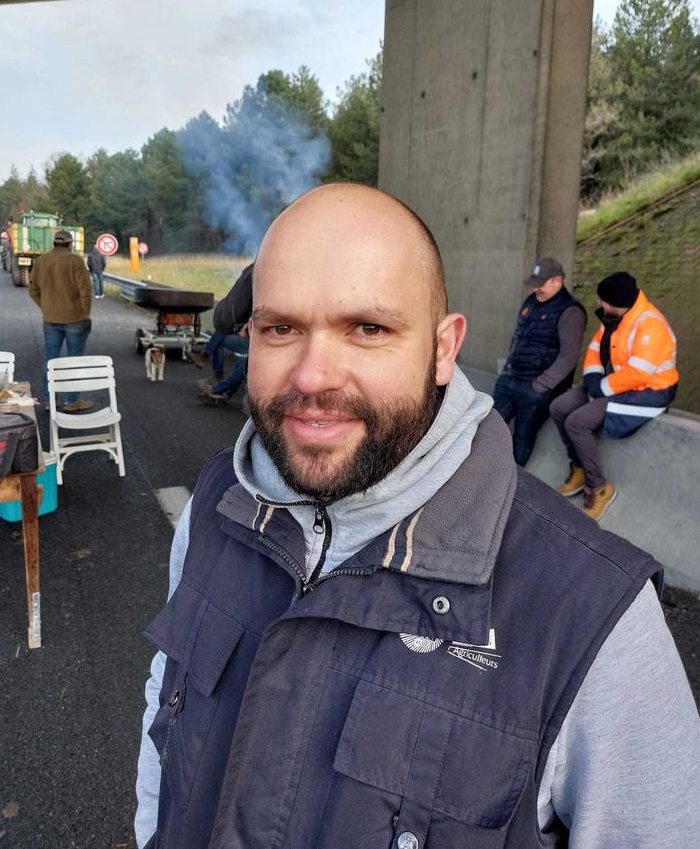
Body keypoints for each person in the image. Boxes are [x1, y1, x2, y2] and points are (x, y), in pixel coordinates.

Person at [135, 186, 698, 849]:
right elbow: (162, 720)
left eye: (367, 329)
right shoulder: (216, 502)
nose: (314, 375)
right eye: (280, 328)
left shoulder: (592, 616)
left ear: (442, 349)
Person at [550, 271, 679, 521]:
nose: (598, 304)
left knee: (577, 422)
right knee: (559, 407)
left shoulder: (651, 324)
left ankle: (598, 487)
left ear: (616, 302)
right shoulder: (615, 317)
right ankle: (579, 468)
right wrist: (591, 383)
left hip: (650, 392)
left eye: (602, 300)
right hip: (618, 385)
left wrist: (599, 390)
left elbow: (639, 374)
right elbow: (595, 350)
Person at [492, 257, 585, 465]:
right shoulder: (531, 303)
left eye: (540, 284)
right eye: (534, 284)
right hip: (512, 380)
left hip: (537, 388)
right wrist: (507, 370)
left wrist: (541, 386)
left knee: (522, 439)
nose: (536, 289)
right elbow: (518, 337)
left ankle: (513, 486)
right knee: (487, 427)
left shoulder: (571, 311)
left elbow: (569, 356)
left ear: (557, 281)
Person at [29, 229, 93, 412]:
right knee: (74, 360)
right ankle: (72, 401)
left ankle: (51, 401)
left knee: (50, 359)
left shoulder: (41, 261)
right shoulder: (75, 261)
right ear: (69, 243)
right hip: (76, 319)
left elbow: (33, 290)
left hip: (50, 319)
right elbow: (85, 292)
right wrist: (85, 312)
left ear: (54, 243)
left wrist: (46, 307)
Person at [191, 262, 253, 381]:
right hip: (248, 330)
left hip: (253, 339)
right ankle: (211, 365)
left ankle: (209, 362)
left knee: (220, 340)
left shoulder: (255, 272)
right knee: (222, 333)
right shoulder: (254, 271)